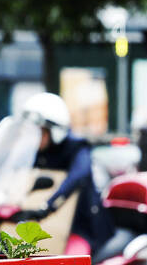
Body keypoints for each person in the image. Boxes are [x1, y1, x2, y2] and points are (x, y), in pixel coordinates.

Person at [20, 92, 102, 253]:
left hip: (79, 228)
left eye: (40, 132)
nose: (34, 137)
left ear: (54, 130)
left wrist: (48, 206)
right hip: (48, 227)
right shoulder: (33, 153)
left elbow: (78, 175)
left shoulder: (77, 147)